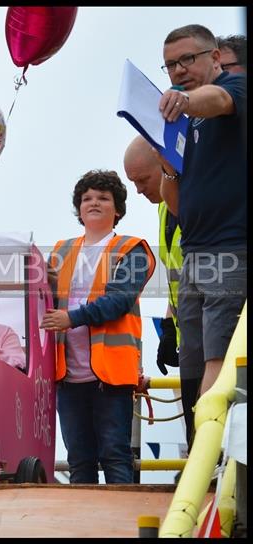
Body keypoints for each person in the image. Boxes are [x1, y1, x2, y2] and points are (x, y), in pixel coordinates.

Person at [157, 25, 247, 444]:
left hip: (229, 249)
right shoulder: (190, 120)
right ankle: (200, 455)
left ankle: (209, 459)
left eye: (187, 59)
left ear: (215, 57)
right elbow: (177, 201)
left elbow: (220, 98)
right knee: (192, 364)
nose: (178, 70)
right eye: (171, 64)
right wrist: (167, 164)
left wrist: (187, 101)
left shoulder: (233, 88)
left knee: (217, 358)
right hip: (195, 252)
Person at [41, 170, 155, 484]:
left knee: (115, 455)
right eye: (87, 198)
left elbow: (119, 300)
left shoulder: (132, 248)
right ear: (78, 208)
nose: (94, 202)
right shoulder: (60, 252)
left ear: (117, 209)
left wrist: (71, 318)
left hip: (112, 376)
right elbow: (43, 302)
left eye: (103, 198)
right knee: (79, 461)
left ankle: (122, 530)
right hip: (67, 375)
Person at [123, 136, 182, 376]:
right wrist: (169, 328)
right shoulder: (163, 208)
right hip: (190, 335)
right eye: (133, 182)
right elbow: (177, 279)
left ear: (165, 163)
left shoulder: (199, 200)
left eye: (143, 179)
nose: (138, 190)